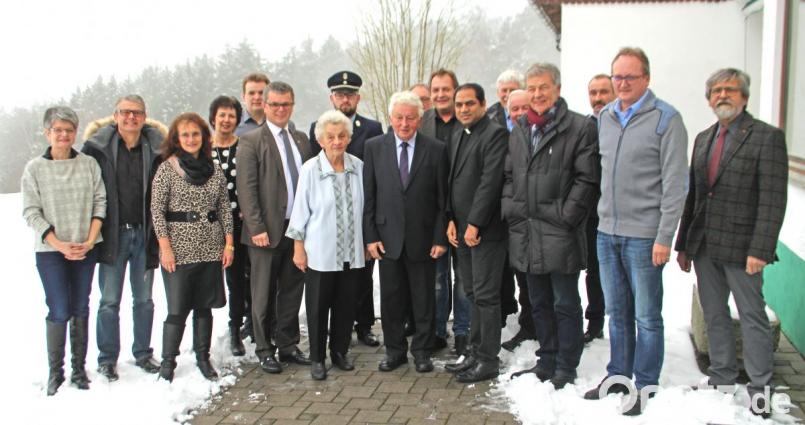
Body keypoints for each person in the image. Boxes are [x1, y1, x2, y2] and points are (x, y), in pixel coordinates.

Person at [675, 68, 788, 418]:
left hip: (744, 249)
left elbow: (773, 199)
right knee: (714, 314)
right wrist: (684, 244)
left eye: (730, 90)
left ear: (745, 96)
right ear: (709, 99)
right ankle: (722, 376)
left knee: (752, 317)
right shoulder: (704, 138)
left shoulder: (766, 138)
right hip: (706, 244)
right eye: (716, 91)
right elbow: (694, 195)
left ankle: (760, 389)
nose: (722, 96)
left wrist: (761, 248)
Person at [584, 47, 688, 416]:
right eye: (618, 77)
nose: (623, 83)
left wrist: (664, 237)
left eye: (630, 77)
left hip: (644, 236)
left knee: (647, 315)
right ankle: (618, 375)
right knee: (617, 312)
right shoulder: (606, 117)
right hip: (607, 232)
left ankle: (645, 383)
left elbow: (676, 185)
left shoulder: (666, 119)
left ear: (646, 78)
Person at [504, 63, 600, 389]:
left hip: (560, 232)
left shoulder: (579, 127)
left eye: (543, 87)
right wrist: (512, 210)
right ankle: (546, 360)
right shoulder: (519, 130)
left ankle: (566, 365)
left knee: (565, 302)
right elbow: (508, 177)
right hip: (528, 231)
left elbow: (587, 179)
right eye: (531, 88)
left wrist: (567, 216)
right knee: (538, 301)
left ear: (557, 89)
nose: (537, 94)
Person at [363, 91, 449, 373]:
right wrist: (371, 236)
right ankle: (395, 351)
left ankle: (422, 352)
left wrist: (439, 237)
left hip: (423, 240)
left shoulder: (436, 149)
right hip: (387, 240)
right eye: (399, 117)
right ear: (391, 118)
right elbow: (369, 196)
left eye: (410, 118)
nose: (404, 123)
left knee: (424, 300)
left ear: (419, 119)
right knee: (391, 300)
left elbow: (441, 200)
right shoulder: (374, 147)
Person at [23, 107, 106, 395]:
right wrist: (58, 244)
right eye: (57, 130)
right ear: (48, 133)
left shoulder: (88, 164)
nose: (63, 135)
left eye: (69, 130)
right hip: (50, 252)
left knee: (81, 306)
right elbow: (31, 212)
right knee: (59, 309)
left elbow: (100, 203)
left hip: (86, 248)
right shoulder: (35, 168)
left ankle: (78, 369)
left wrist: (89, 240)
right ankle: (55, 372)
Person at [82, 95, 165, 381]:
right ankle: (107, 359)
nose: (131, 118)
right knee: (109, 300)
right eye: (126, 113)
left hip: (145, 233)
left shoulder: (156, 148)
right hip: (112, 235)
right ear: (115, 115)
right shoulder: (97, 148)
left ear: (145, 116)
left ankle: (143, 353)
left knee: (144, 299)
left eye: (137, 113)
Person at [151, 112, 234, 381]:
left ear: (203, 137)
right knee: (177, 307)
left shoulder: (214, 168)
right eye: (185, 134)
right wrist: (165, 248)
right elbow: (157, 210)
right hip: (179, 249)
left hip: (210, 247)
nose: (191, 139)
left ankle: (203, 357)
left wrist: (229, 243)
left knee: (204, 305)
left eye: (195, 134)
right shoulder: (167, 168)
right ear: (176, 138)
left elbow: (224, 207)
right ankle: (168, 362)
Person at [237, 81, 313, 374]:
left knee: (292, 290)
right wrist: (256, 227)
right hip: (265, 232)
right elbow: (247, 189)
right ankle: (264, 347)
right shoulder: (252, 141)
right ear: (265, 106)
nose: (281, 109)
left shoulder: (302, 139)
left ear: (292, 105)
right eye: (275, 104)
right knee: (263, 293)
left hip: (295, 231)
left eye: (286, 104)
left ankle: (288, 344)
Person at [286, 110, 366, 380]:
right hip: (320, 252)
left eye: (342, 135)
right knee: (319, 307)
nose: (336, 141)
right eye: (330, 136)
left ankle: (340, 352)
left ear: (349, 138)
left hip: (351, 252)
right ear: (320, 139)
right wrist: (298, 247)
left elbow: (366, 207)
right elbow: (300, 211)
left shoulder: (359, 167)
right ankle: (318, 358)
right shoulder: (311, 169)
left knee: (346, 305)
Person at [308, 71, 384, 347]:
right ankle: (335, 331)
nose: (345, 99)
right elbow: (313, 172)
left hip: (361, 212)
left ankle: (364, 326)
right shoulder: (318, 127)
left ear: (358, 97)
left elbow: (377, 172)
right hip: (329, 217)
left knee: (361, 277)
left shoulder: (373, 128)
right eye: (339, 94)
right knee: (331, 280)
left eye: (350, 94)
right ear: (332, 98)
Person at [443, 83, 508, 383]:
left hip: (484, 232)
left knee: (485, 296)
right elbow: (451, 181)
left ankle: (488, 359)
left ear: (483, 104)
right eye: (459, 105)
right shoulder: (458, 133)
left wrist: (475, 223)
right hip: (462, 230)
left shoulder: (494, 134)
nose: (464, 109)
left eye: (470, 103)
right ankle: (474, 351)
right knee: (470, 293)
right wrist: (451, 219)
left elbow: (490, 183)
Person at [418, 68, 471, 356]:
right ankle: (438, 329)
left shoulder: (468, 121)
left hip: (463, 211)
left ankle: (462, 331)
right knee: (436, 277)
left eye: (445, 90)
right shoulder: (422, 122)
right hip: (433, 212)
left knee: (463, 276)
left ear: (455, 91)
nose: (440, 95)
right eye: (435, 90)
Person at [209, 95, 249, 356]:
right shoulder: (202, 148)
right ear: (213, 118)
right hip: (207, 226)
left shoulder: (245, 147)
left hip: (238, 223)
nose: (226, 120)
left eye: (231, 115)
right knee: (207, 282)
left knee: (237, 281)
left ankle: (236, 330)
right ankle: (202, 336)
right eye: (222, 115)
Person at [500, 89, 537, 352]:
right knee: (522, 281)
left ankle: (541, 329)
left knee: (539, 284)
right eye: (515, 109)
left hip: (541, 223)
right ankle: (528, 326)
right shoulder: (507, 138)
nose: (520, 113)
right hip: (515, 223)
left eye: (525, 107)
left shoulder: (540, 137)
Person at [582, 74, 615, 343]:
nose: (598, 98)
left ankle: (621, 322)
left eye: (604, 92)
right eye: (593, 92)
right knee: (594, 270)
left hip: (621, 213)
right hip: (591, 213)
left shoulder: (621, 125)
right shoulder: (585, 127)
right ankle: (595, 322)